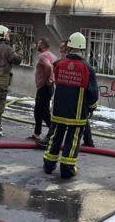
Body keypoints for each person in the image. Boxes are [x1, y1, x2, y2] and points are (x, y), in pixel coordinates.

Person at [43, 32, 98, 179]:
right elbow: (92, 92)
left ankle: (48, 165)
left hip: (58, 110)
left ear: (69, 47)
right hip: (77, 113)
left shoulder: (59, 64)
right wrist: (92, 107)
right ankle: (67, 169)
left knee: (55, 137)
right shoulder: (87, 68)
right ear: (83, 48)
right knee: (72, 141)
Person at [30, 38, 56, 142]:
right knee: (38, 111)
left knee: (44, 112)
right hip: (47, 87)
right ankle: (37, 133)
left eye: (39, 43)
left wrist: (47, 80)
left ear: (43, 45)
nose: (37, 45)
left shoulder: (43, 55)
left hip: (45, 87)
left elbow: (48, 67)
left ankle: (54, 133)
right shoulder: (52, 55)